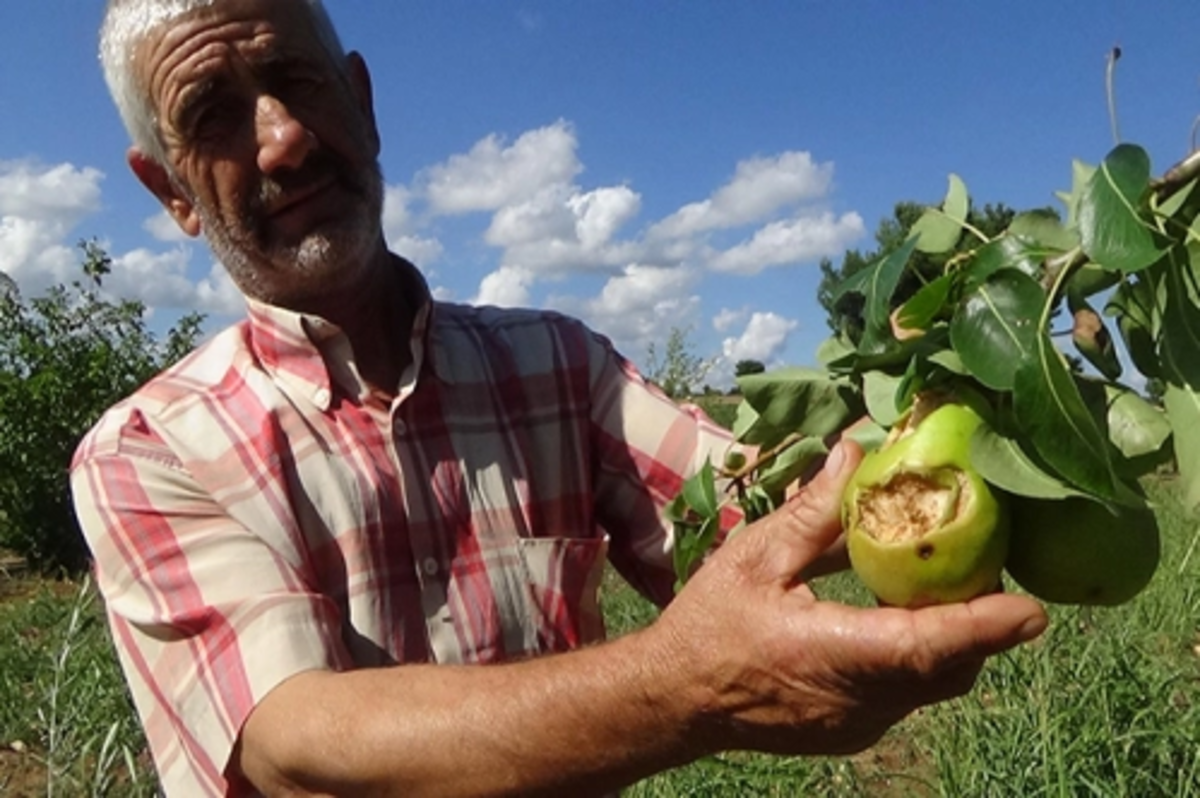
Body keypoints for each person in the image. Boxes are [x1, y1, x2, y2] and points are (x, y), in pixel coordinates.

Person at [71, 1, 1049, 795]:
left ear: (363, 104)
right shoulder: (149, 452)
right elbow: (296, 742)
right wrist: (689, 685)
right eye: (213, 113)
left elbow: (762, 500)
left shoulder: (558, 364)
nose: (281, 139)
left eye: (297, 79)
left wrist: (976, 375)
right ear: (172, 195)